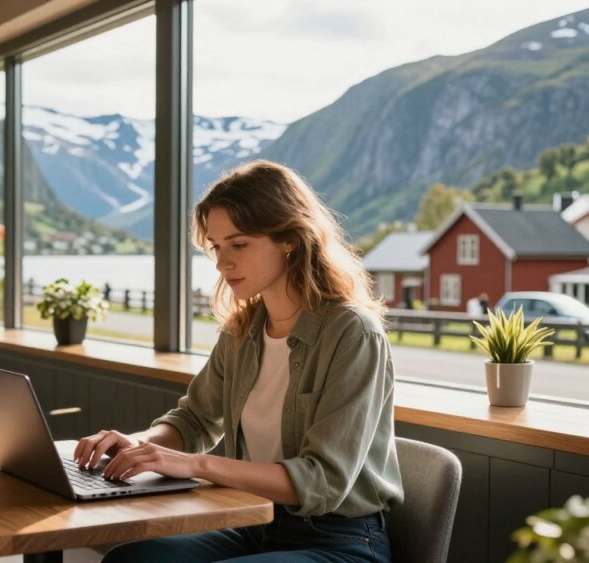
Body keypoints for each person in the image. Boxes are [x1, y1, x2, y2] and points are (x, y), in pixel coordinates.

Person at [74, 160, 401, 562]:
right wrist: (140, 447)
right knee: (131, 559)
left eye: (239, 244)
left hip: (339, 540)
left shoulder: (353, 333)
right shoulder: (243, 331)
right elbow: (194, 421)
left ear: (291, 239)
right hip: (253, 522)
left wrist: (196, 465)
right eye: (216, 246)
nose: (222, 262)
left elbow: (323, 481)